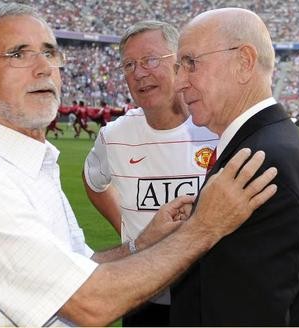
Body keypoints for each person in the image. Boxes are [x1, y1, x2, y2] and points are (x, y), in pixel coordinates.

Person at [0, 4, 277, 327]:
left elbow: (81, 267)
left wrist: (142, 243)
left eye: (49, 52)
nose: (44, 67)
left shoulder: (31, 166)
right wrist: (204, 226)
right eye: (18, 54)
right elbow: (90, 303)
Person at [171, 8, 299, 326]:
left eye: (191, 63)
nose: (178, 82)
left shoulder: (258, 165)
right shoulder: (266, 147)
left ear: (244, 62)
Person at [82, 20, 218, 326]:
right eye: (129, 64)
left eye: (151, 60)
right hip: (142, 294)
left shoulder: (215, 128)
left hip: (207, 294)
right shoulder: (114, 136)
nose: (139, 73)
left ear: (179, 64)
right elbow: (93, 181)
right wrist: (127, 229)